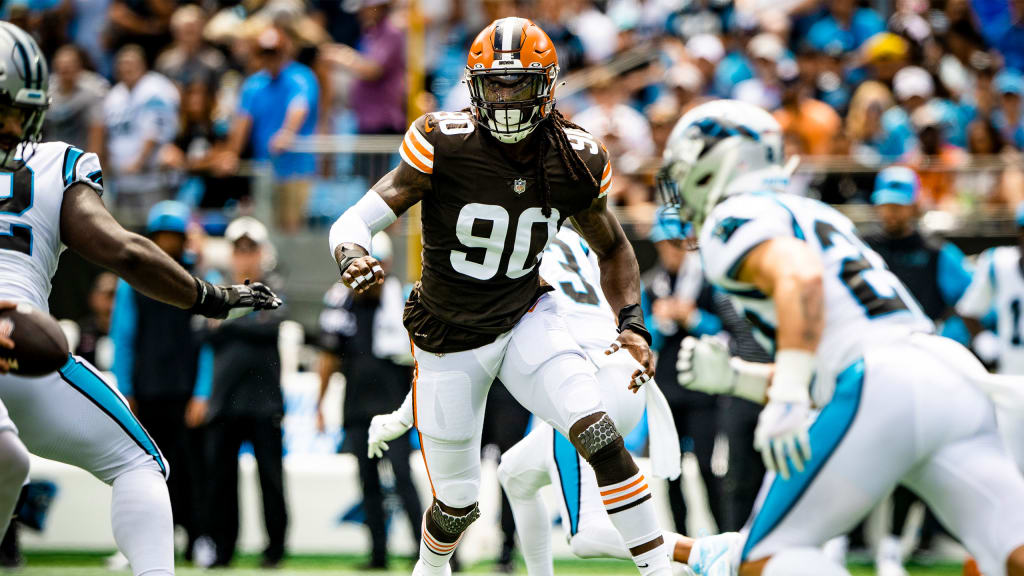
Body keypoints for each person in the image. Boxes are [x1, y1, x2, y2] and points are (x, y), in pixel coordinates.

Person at [329, 17, 671, 576]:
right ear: (474, 85)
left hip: (526, 317)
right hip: (448, 335)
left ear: (549, 85)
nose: (507, 99)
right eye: (496, 84)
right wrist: (352, 254)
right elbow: (355, 219)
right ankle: (432, 567)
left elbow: (614, 249)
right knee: (458, 505)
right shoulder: (444, 141)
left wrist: (631, 322)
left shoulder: (577, 157)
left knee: (599, 432)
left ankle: (659, 568)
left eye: (519, 84)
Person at [661, 98, 1024, 576]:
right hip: (947, 371)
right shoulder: (817, 213)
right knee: (1013, 552)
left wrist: (788, 395)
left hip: (882, 381)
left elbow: (802, 277)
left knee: (764, 558)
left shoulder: (734, 219)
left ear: (720, 161)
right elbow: (836, 353)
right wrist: (738, 377)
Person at [0, 21, 280, 576]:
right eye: (8, 108)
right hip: (20, 338)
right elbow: (123, 251)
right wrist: (212, 296)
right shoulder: (54, 163)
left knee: (10, 457)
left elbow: (125, 252)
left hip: (20, 347)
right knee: (135, 462)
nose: (16, 125)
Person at [367, 226, 743, 575]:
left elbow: (458, 359)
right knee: (514, 474)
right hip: (620, 375)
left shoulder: (509, 246)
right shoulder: (572, 236)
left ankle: (701, 552)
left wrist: (402, 416)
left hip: (588, 386)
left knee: (587, 534)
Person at [859, 166, 975, 576]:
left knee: (914, 455)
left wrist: (945, 338)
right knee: (854, 450)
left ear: (914, 206)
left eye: (899, 204)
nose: (891, 213)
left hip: (920, 369)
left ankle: (893, 545)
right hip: (868, 367)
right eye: (886, 205)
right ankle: (843, 540)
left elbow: (972, 304)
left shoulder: (936, 252)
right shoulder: (861, 248)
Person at [110, 201, 216, 561]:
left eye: (174, 236)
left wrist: (202, 392)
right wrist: (125, 389)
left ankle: (199, 538)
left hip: (186, 394)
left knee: (191, 470)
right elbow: (123, 337)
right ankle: (140, 547)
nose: (168, 243)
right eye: (162, 236)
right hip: (146, 392)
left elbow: (206, 343)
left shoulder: (199, 281)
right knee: (145, 473)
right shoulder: (132, 283)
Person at [316, 231, 421, 570]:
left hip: (394, 408)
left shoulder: (404, 302)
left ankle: (428, 553)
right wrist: (320, 404)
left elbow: (420, 358)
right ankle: (378, 554)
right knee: (368, 482)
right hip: (357, 407)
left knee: (404, 478)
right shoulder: (341, 303)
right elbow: (330, 356)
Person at [204, 217, 288, 568]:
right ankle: (224, 549)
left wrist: (227, 318)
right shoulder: (215, 288)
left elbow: (272, 327)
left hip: (264, 399)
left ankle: (275, 549)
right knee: (222, 483)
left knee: (270, 479)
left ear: (261, 252)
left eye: (250, 249)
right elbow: (203, 332)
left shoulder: (275, 285)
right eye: (239, 250)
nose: (244, 257)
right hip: (225, 400)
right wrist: (250, 313)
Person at [217, 25, 319, 233]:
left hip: (296, 170)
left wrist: (287, 133)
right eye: (264, 52)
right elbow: (242, 122)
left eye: (274, 52)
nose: (270, 57)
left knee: (291, 228)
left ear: (284, 52)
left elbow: (299, 106)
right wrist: (231, 154)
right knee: (266, 226)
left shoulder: (300, 76)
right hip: (264, 170)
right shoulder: (254, 84)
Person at [100, 45, 180, 225]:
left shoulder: (155, 88)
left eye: (131, 63)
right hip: (122, 181)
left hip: (152, 179)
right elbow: (107, 134)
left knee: (154, 230)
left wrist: (138, 162)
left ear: (143, 65)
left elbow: (155, 132)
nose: (126, 68)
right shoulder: (115, 94)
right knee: (126, 232)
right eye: (122, 64)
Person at [43, 45, 107, 152]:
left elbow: (97, 129)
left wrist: (94, 160)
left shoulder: (91, 92)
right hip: (51, 155)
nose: (65, 68)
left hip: (78, 157)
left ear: (79, 67)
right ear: (55, 66)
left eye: (70, 64)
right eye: (61, 64)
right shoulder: (46, 92)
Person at [76, 272, 117, 369]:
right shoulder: (79, 332)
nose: (114, 301)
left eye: (118, 296)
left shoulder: (133, 333)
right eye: (109, 295)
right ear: (93, 297)